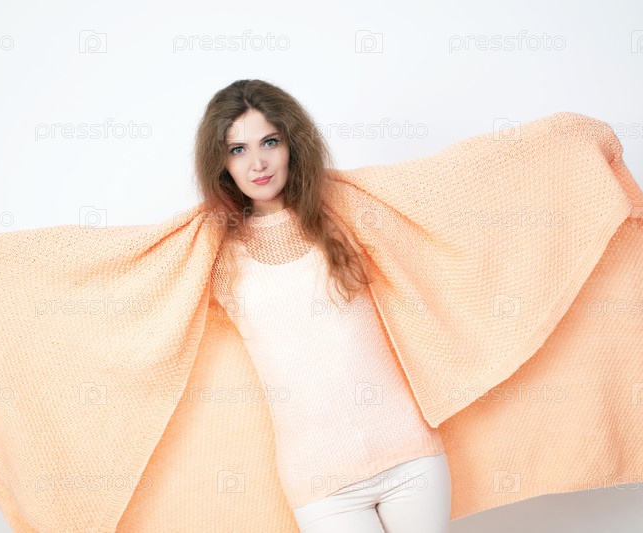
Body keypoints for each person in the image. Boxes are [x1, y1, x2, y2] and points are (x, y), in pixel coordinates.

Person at [194, 79, 452, 533]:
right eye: (237, 150)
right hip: (320, 483)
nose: (257, 163)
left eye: (270, 142)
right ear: (221, 164)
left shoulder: (347, 208)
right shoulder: (212, 250)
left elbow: (441, 194)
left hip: (409, 456)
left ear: (293, 143)